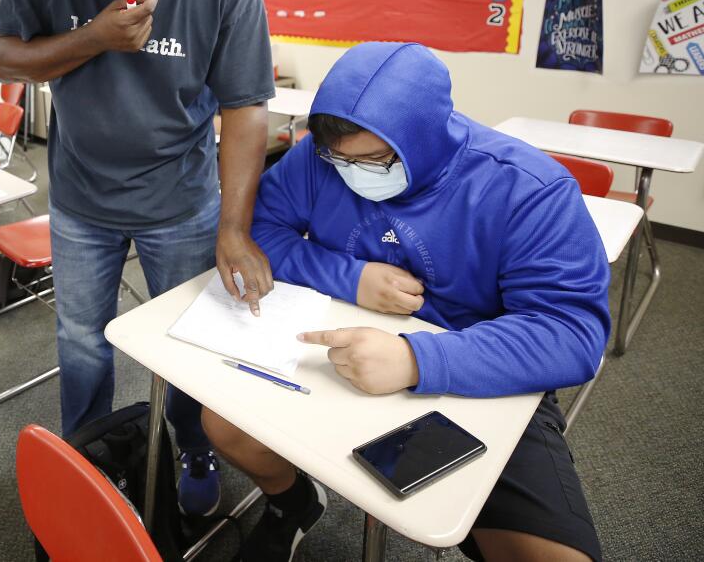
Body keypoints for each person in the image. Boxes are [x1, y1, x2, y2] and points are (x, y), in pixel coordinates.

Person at [202, 43, 609, 562]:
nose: (351, 172)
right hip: (333, 344)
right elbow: (261, 233)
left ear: (427, 138)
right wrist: (350, 279)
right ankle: (293, 504)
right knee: (224, 425)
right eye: (339, 160)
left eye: (372, 161)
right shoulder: (320, 154)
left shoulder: (529, 190)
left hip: (477, 372)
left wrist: (417, 359)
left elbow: (571, 333)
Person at [0, 0, 275, 518]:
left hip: (181, 200)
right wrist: (94, 37)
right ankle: (85, 456)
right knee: (83, 342)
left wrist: (233, 227)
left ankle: (193, 444)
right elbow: (4, 59)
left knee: (183, 346)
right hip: (82, 198)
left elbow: (245, 109)